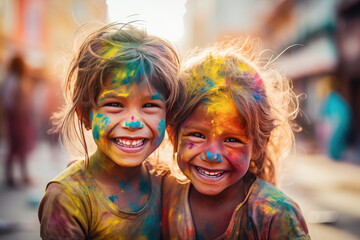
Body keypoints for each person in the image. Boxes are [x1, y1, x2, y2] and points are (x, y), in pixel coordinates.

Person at [38, 23, 181, 239]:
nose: (133, 122)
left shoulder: (168, 181)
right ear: (86, 114)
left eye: (150, 105)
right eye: (115, 104)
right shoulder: (68, 198)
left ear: (167, 116)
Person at [162, 38, 310, 239]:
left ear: (258, 145)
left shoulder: (276, 216)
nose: (212, 155)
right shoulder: (163, 196)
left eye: (232, 139)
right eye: (197, 135)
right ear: (173, 136)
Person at [1, 54, 35, 187]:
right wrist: (16, 111)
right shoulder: (13, 80)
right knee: (16, 145)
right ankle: (11, 176)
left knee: (22, 145)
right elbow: (8, 101)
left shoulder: (18, 79)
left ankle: (22, 175)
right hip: (15, 117)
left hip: (21, 116)